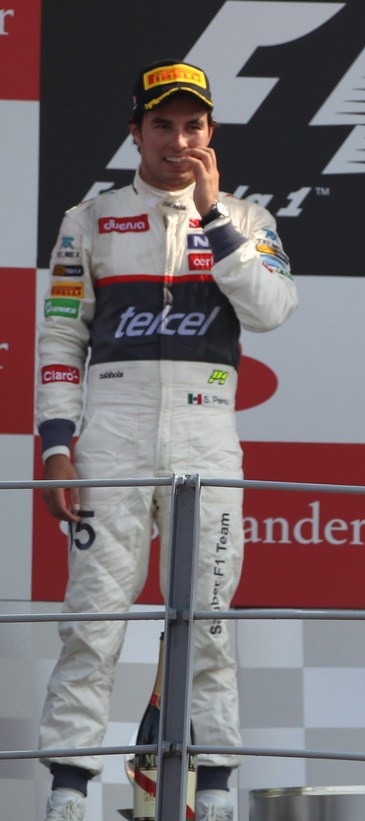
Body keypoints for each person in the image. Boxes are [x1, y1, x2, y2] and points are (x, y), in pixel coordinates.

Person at [36, 59, 298, 821]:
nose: (178, 138)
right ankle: (69, 790)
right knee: (93, 617)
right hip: (110, 436)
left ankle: (213, 789)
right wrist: (58, 445)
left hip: (205, 432)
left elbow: (273, 309)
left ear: (210, 132)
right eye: (162, 124)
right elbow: (59, 338)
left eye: (193, 124)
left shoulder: (247, 221)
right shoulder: (87, 220)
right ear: (135, 133)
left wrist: (214, 217)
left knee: (208, 618)